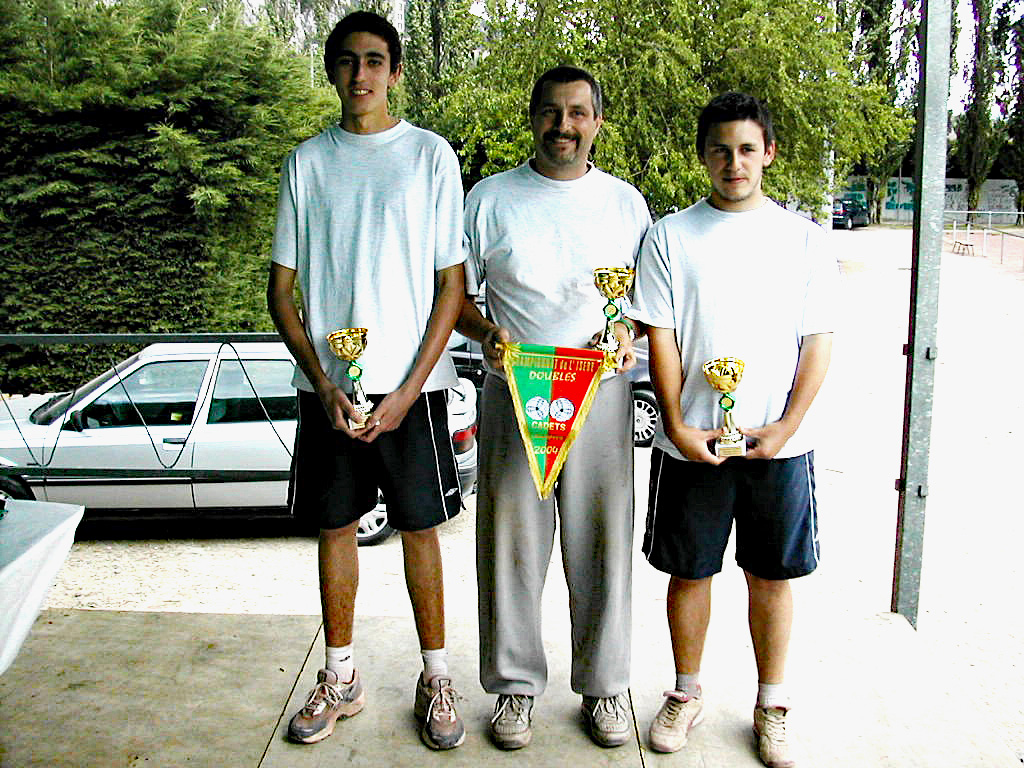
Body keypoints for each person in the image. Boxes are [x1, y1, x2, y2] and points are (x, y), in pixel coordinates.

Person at [266, 11, 466, 751]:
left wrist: (410, 388)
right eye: (348, 60)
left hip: (414, 389)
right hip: (333, 394)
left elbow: (453, 285)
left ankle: (436, 675)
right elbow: (282, 292)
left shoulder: (430, 156)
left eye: (375, 60)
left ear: (395, 71)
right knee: (335, 529)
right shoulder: (305, 163)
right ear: (331, 70)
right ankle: (340, 676)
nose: (361, 74)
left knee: (421, 530)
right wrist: (322, 383)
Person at [628, 91, 839, 768]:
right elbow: (659, 338)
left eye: (747, 149)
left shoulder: (803, 239)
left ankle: (771, 705)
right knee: (689, 573)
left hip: (778, 445)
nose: (734, 162)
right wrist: (676, 422)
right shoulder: (668, 236)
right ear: (703, 156)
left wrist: (786, 426)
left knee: (770, 576)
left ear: (769, 152)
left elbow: (818, 342)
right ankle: (686, 693)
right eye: (720, 150)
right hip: (691, 443)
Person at [458, 66, 651, 750]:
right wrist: (487, 335)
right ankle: (514, 689)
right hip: (517, 390)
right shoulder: (488, 199)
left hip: (600, 392)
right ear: (532, 117)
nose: (563, 126)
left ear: (597, 121)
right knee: (510, 545)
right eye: (550, 112)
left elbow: (643, 308)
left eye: (577, 113)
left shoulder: (627, 204)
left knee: (601, 543)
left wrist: (624, 334)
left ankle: (605, 686)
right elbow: (454, 296)